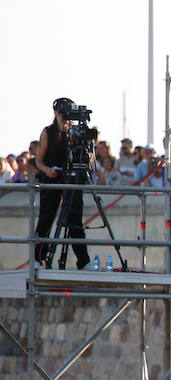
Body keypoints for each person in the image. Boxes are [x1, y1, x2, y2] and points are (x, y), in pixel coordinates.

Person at [32, 97, 92, 270]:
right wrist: (47, 170)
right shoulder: (48, 132)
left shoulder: (73, 132)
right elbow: (39, 161)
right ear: (56, 113)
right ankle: (38, 257)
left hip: (70, 179)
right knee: (47, 219)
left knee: (74, 220)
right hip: (51, 179)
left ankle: (83, 260)